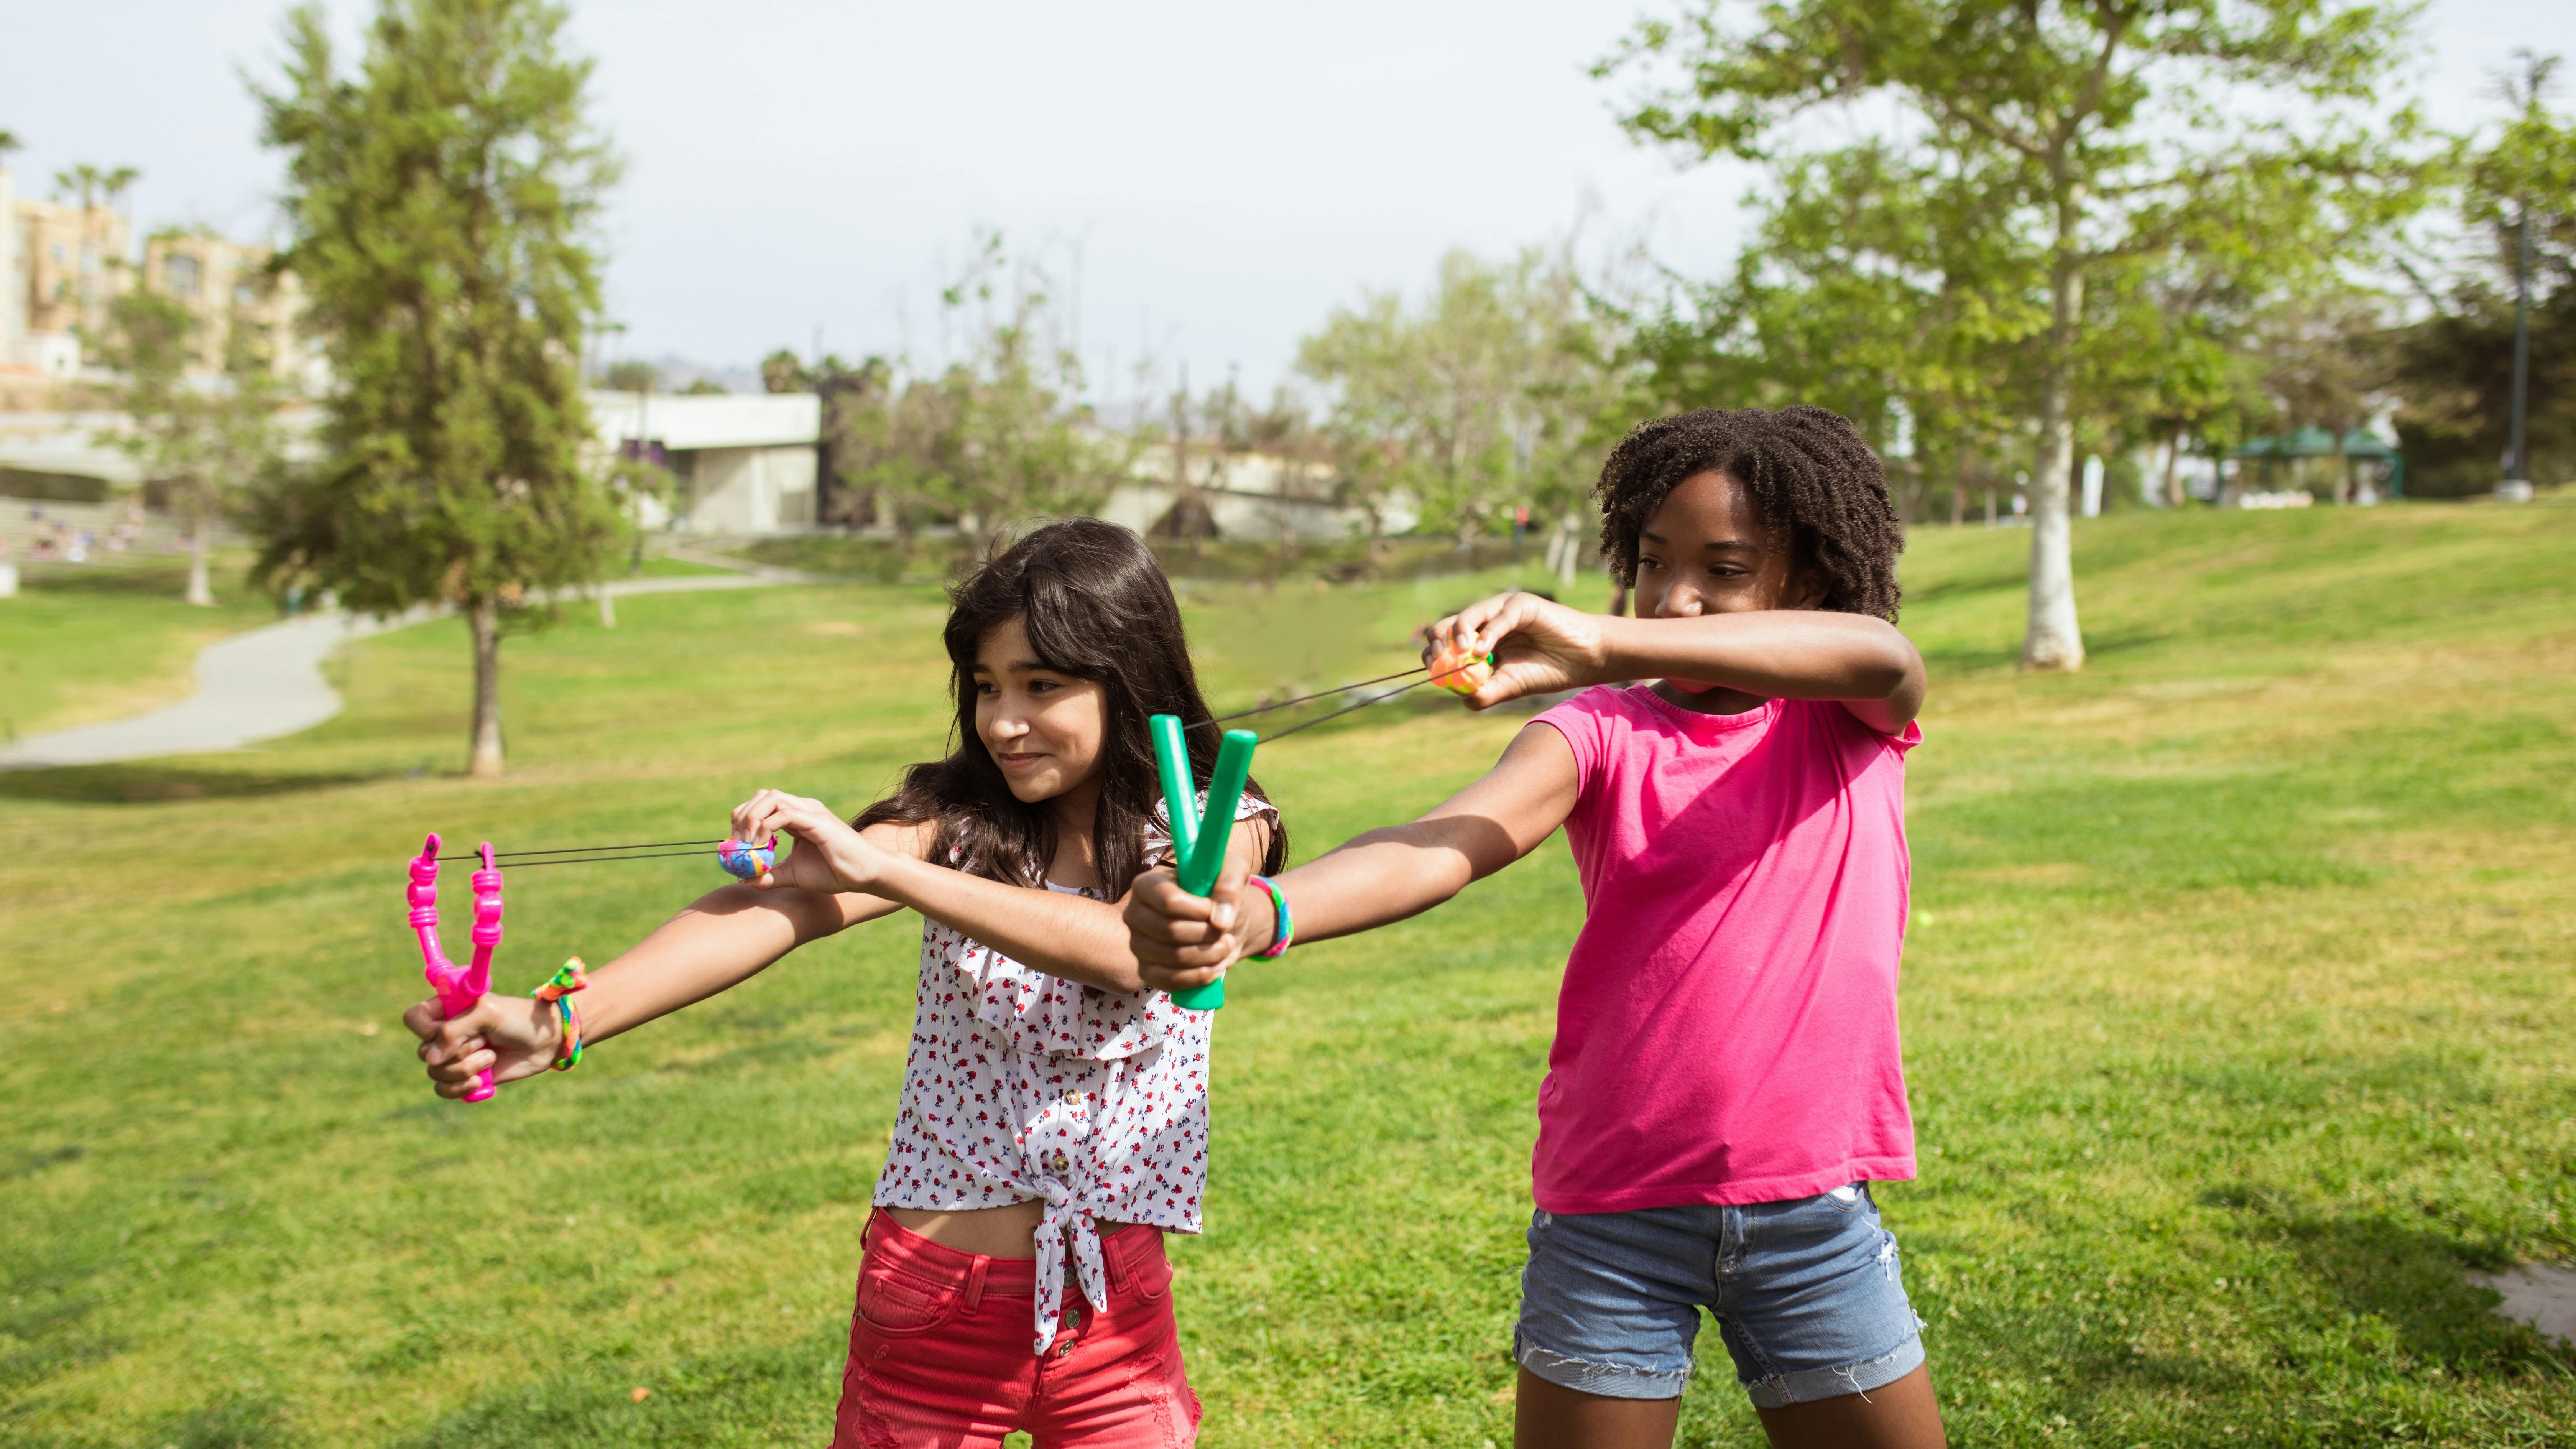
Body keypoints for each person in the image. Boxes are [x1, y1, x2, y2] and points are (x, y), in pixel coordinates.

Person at [1126, 406, 1948, 1449]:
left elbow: (1879, 653)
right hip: (1615, 1220)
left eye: (1724, 571)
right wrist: (1262, 910)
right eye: (1653, 564)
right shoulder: (1601, 730)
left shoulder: (1846, 715)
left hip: (1814, 1216)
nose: (1677, 596)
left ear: (1811, 581)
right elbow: (1444, 843)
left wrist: (1602, 639)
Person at [409, 519, 1283, 1449]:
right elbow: (781, 910)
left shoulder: (1218, 822)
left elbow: (1128, 946)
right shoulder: (955, 824)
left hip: (1119, 1320)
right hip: (932, 1302)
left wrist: (886, 873)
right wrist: (561, 1023)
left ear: (1129, 674)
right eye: (986, 688)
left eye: (1042, 686)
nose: (1002, 722)